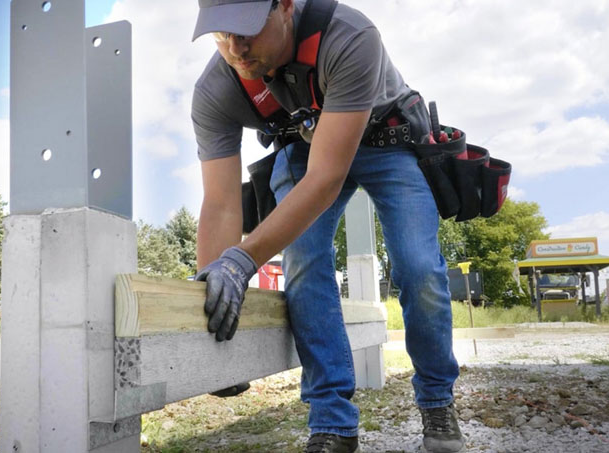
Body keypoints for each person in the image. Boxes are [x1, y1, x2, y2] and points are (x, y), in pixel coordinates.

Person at [191, 0, 465, 451]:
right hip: (304, 142)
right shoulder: (216, 90)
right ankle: (332, 423)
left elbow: (326, 179)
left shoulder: (350, 35)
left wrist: (242, 259)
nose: (236, 48)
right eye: (221, 34)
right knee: (303, 264)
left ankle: (437, 401)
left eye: (246, 30)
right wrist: (215, 302)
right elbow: (220, 204)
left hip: (386, 138)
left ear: (284, 6)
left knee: (418, 266)